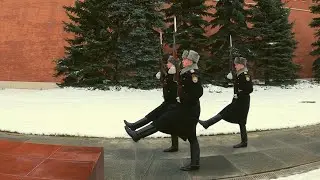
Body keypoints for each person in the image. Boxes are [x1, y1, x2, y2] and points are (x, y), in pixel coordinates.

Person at [124, 50, 203, 171]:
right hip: (185, 108)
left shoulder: (193, 74)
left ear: (191, 61)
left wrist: (182, 98)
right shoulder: (185, 71)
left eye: (185, 60)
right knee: (191, 136)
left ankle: (137, 135)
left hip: (189, 110)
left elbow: (198, 93)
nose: (183, 61)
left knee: (163, 121)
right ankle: (195, 163)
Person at [124, 54, 179, 152]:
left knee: (160, 123)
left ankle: (137, 135)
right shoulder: (169, 73)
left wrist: (168, 72)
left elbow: (171, 81)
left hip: (173, 104)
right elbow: (162, 78)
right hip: (168, 102)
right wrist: (162, 70)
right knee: (154, 115)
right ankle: (134, 126)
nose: (168, 64)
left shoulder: (175, 75)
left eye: (170, 63)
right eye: (168, 63)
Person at [199, 57, 253, 148]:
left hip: (242, 101)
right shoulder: (239, 74)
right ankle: (244, 141)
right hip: (238, 100)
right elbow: (239, 84)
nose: (235, 66)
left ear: (241, 65)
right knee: (238, 119)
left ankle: (208, 123)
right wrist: (232, 78)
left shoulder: (245, 75)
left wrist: (240, 92)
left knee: (229, 114)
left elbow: (249, 89)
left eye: (236, 64)